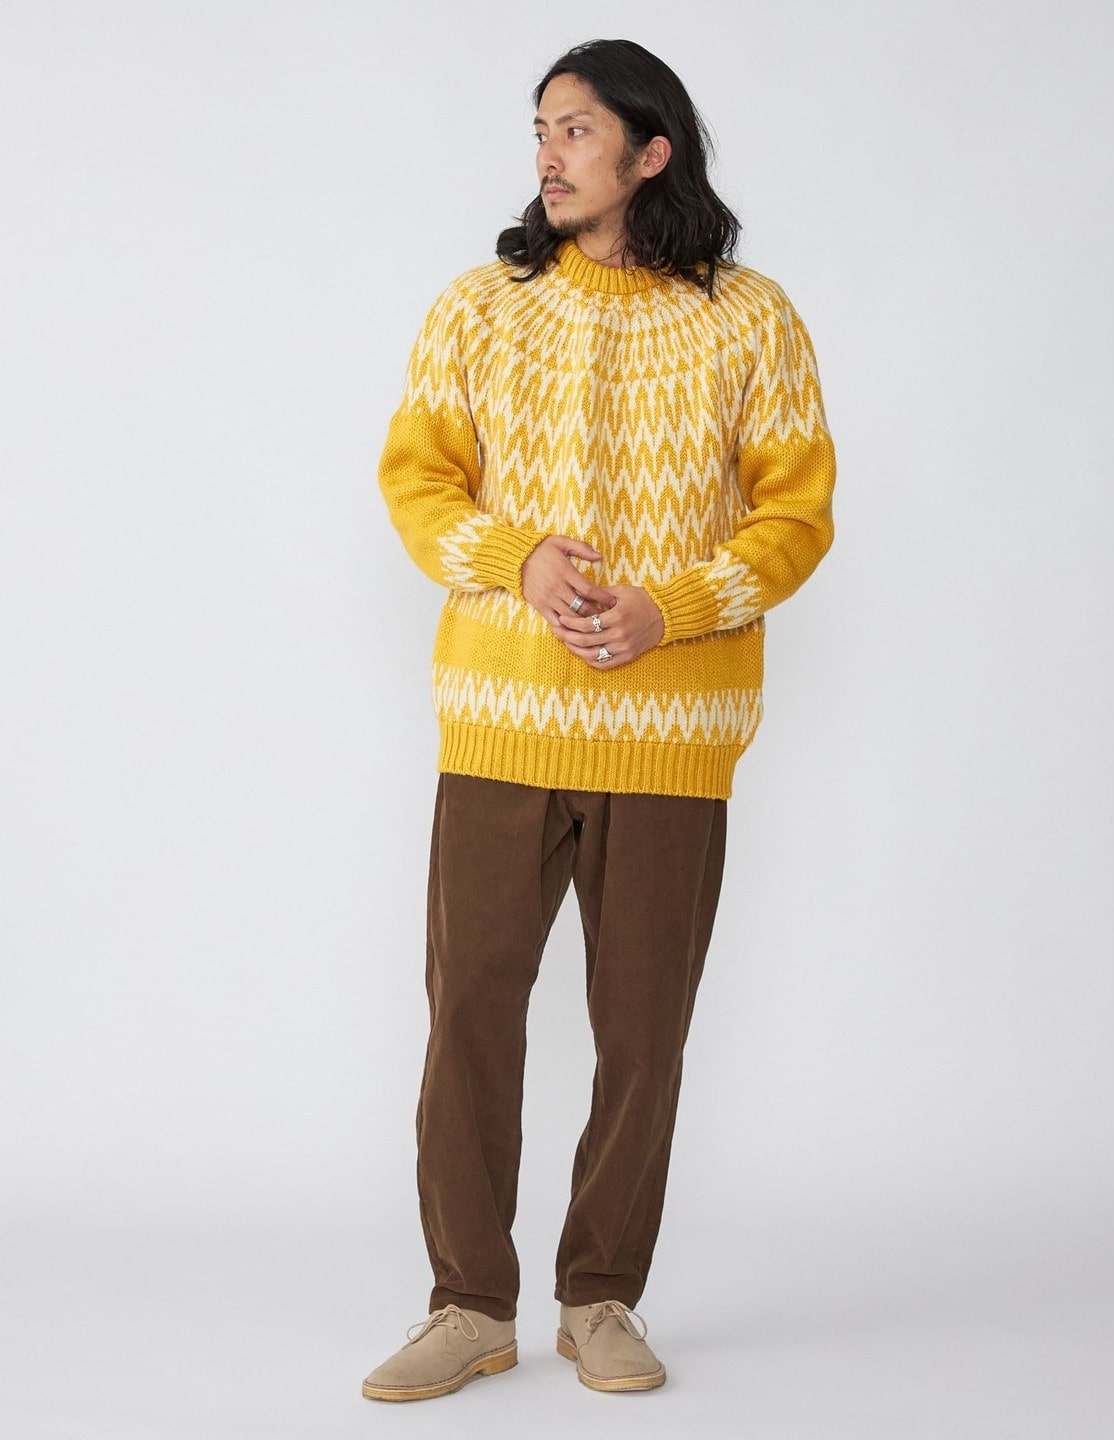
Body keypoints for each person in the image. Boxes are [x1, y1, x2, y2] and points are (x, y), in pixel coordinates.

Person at [363, 37, 836, 1403]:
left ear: (651, 150)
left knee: (643, 1034)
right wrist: (517, 559)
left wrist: (667, 610)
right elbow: (419, 487)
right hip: (499, 725)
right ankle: (468, 1303)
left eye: (575, 129)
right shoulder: (480, 309)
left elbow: (796, 516)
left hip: (673, 738)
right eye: (541, 130)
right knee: (469, 1016)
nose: (548, 153)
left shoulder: (752, 319)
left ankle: (601, 1297)